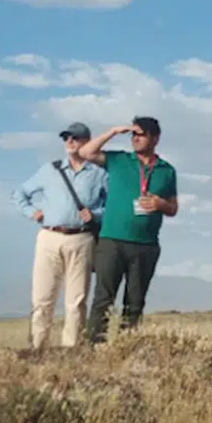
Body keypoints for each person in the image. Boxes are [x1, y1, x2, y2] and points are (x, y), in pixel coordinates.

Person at [80, 117, 180, 343]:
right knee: (103, 299)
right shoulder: (118, 160)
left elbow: (173, 208)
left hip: (146, 244)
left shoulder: (167, 170)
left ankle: (126, 347)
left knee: (135, 302)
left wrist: (160, 205)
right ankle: (94, 347)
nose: (135, 138)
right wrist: (114, 131)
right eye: (132, 135)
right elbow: (85, 152)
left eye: (140, 134)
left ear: (155, 138)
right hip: (112, 240)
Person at [11, 122, 108, 349]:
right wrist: (32, 212)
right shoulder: (50, 170)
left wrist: (95, 214)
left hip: (81, 239)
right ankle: (37, 348)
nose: (70, 142)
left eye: (75, 138)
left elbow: (112, 206)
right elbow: (19, 193)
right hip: (49, 236)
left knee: (76, 300)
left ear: (87, 142)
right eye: (66, 138)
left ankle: (71, 351)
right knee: (43, 298)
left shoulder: (99, 174)